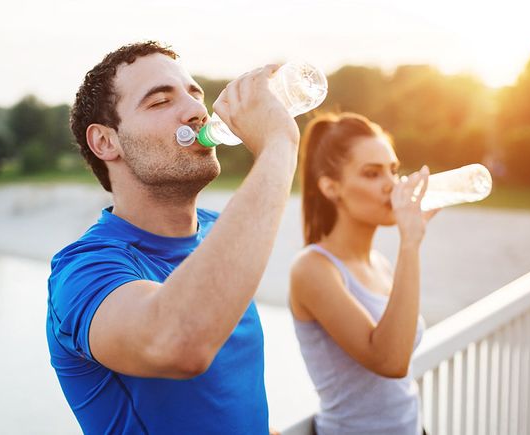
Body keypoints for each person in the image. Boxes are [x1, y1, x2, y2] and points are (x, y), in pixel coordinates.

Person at [46, 41, 299, 434]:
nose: (197, 111)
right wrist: (279, 144)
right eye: (161, 101)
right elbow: (179, 342)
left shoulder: (220, 233)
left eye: (195, 94)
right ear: (106, 142)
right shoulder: (82, 273)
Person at [289, 112, 438, 435]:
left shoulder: (379, 264)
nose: (392, 185)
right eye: (372, 174)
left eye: (393, 170)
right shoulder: (312, 269)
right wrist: (410, 243)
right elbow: (391, 361)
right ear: (331, 187)